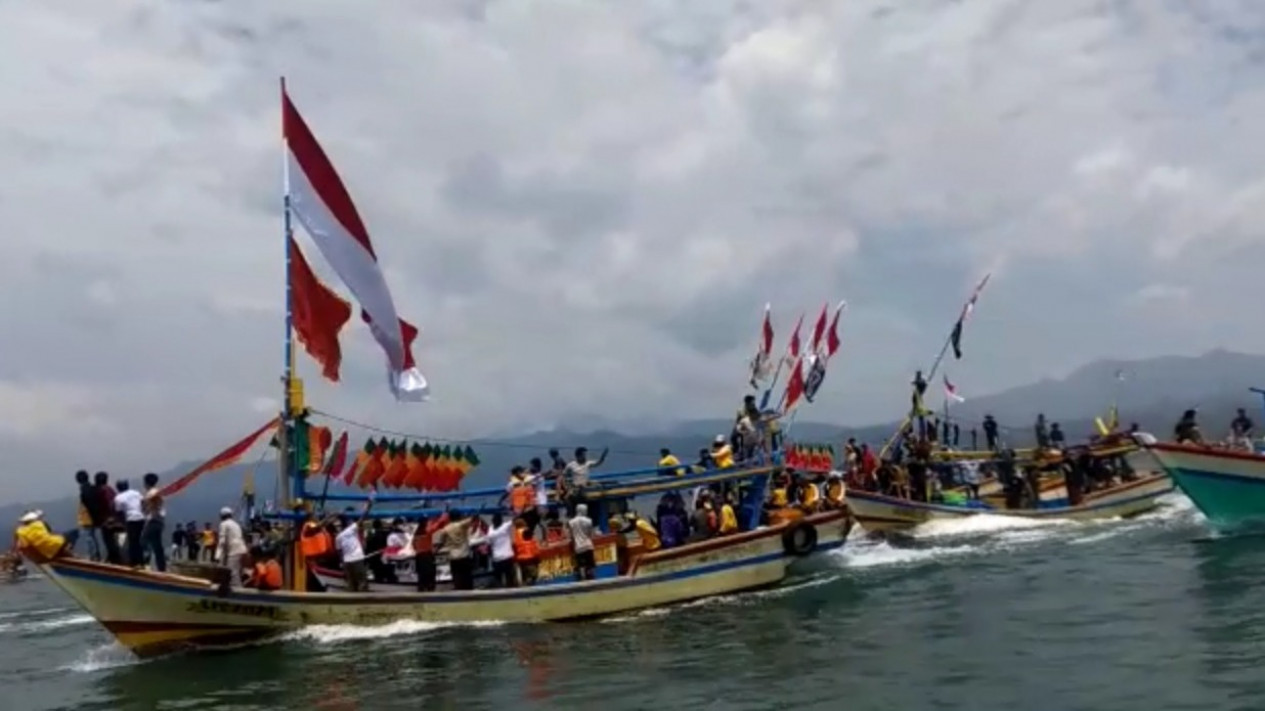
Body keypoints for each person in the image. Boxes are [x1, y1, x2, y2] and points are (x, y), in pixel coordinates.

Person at [13, 510, 79, 563]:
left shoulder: (20, 531)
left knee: (61, 539)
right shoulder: (40, 523)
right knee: (74, 533)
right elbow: (49, 533)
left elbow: (23, 546)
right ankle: (66, 552)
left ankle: (64, 552)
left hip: (43, 555)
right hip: (56, 545)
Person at [470, 513, 516, 588]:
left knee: (499, 579)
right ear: (501, 521)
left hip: (497, 558)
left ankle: (500, 592)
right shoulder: (505, 526)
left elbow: (487, 541)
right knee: (509, 578)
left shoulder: (491, 530)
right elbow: (515, 519)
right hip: (506, 557)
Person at [335, 503, 372, 592]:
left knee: (351, 584)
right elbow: (362, 518)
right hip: (357, 558)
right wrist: (368, 507)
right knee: (362, 582)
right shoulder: (352, 528)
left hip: (347, 561)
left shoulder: (338, 537)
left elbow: (339, 552)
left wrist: (342, 564)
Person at [435, 512, 477, 590]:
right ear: (458, 517)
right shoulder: (462, 525)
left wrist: (436, 551)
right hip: (464, 555)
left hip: (453, 557)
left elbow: (441, 542)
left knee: (457, 578)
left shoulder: (446, 529)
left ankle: (459, 594)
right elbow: (473, 518)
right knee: (467, 579)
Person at [412, 512, 448, 592]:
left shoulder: (416, 533)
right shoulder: (427, 531)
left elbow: (413, 545)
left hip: (419, 556)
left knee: (421, 576)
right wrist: (444, 515)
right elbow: (438, 525)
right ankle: (430, 589)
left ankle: (421, 589)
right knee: (430, 574)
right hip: (427, 555)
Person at [112, 480, 144, 567]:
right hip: (141, 518)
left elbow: (119, 512)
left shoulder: (118, 498)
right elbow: (143, 502)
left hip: (131, 519)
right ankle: (141, 561)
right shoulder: (136, 493)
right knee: (138, 540)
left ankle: (135, 562)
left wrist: (121, 522)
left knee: (133, 542)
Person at [140, 473, 167, 572]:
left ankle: (145, 564)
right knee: (157, 545)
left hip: (153, 521)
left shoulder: (152, 493)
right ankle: (161, 567)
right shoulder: (157, 492)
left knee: (143, 542)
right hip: (159, 521)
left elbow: (147, 505)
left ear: (146, 482)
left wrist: (144, 502)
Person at [217, 507, 248, 586]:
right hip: (242, 550)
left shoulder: (223, 524)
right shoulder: (236, 524)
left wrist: (217, 556)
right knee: (238, 572)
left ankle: (237, 593)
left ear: (222, 516)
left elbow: (222, 541)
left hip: (234, 551)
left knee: (232, 573)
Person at [73, 471, 100, 561]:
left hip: (88, 517)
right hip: (91, 517)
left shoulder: (85, 490)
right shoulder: (92, 488)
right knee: (91, 537)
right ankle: (95, 555)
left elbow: (89, 505)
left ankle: (94, 556)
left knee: (89, 538)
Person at [569, 503, 597, 581]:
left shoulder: (571, 522)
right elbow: (591, 534)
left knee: (581, 565)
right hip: (588, 544)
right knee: (590, 564)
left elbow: (571, 536)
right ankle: (592, 578)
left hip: (578, 546)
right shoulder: (589, 520)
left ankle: (583, 578)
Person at [512, 518, 541, 585]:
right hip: (530, 556)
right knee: (533, 574)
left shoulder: (515, 534)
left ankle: (526, 586)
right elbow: (534, 543)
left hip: (521, 557)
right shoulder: (528, 531)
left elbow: (514, 545)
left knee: (524, 574)